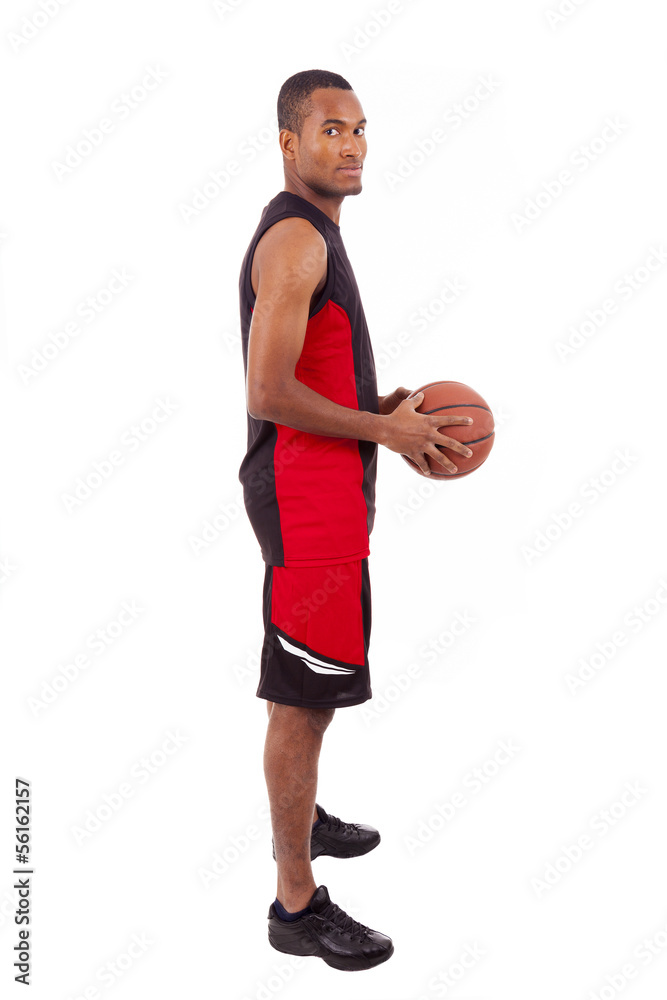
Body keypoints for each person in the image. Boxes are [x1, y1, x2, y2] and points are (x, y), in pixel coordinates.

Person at [237, 68, 473, 972]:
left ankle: (307, 815)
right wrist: (381, 427)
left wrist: (386, 410)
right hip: (305, 503)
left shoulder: (314, 234)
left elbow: (306, 379)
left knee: (319, 690)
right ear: (289, 143)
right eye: (330, 129)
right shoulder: (296, 241)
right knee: (300, 698)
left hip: (324, 493)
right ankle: (295, 904)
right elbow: (265, 391)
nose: (351, 144)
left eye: (360, 128)